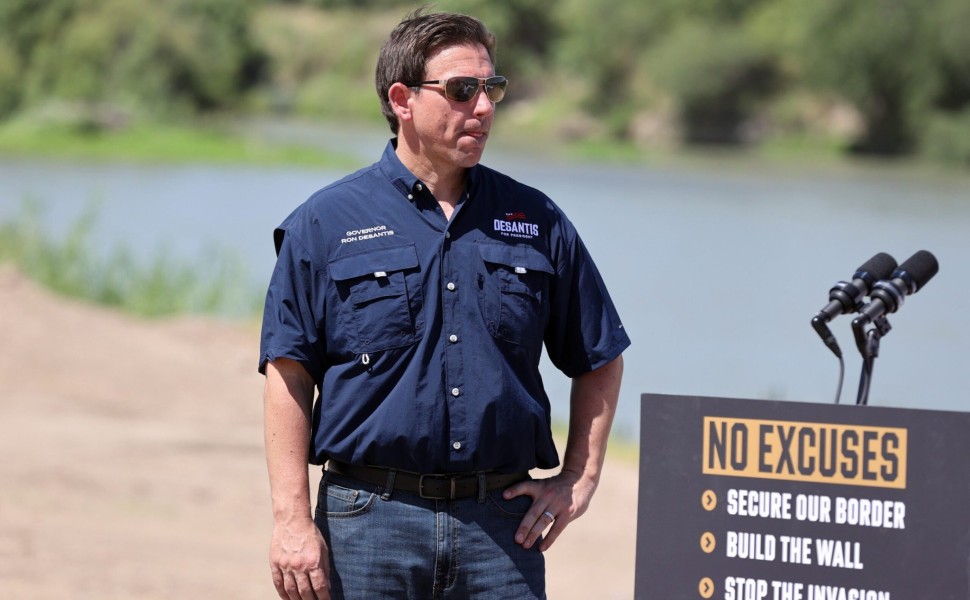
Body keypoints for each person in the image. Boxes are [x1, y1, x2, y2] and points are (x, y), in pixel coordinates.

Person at [258, 9, 630, 600]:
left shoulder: (537, 219)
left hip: (501, 533)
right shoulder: (324, 223)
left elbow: (599, 355)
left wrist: (578, 480)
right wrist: (291, 520)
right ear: (402, 99)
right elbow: (289, 372)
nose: (482, 108)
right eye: (462, 90)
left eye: (492, 89)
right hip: (367, 527)